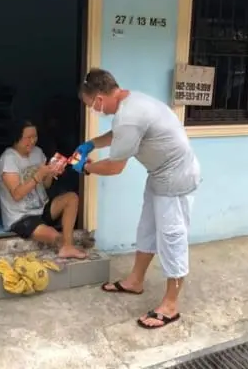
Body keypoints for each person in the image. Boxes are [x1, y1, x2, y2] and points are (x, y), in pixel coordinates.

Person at [72, 68, 201, 329]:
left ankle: (171, 305)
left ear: (99, 98)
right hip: (159, 175)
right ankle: (135, 281)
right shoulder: (130, 101)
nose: (92, 110)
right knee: (147, 229)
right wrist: (90, 144)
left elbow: (114, 167)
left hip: (176, 179)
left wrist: (86, 167)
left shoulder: (129, 117)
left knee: (172, 238)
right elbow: (118, 136)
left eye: (90, 105)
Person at [0, 120, 87, 259]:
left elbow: (46, 185)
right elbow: (17, 194)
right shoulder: (8, 159)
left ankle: (67, 246)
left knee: (72, 198)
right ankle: (65, 245)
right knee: (56, 237)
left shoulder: (37, 152)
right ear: (16, 137)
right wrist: (38, 175)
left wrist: (51, 173)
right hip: (21, 217)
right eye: (28, 137)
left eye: (35, 136)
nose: (32, 141)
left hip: (42, 208)